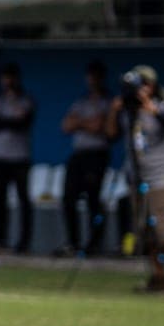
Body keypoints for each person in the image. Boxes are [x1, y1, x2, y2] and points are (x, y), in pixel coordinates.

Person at [108, 66, 164, 291]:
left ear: (150, 86)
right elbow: (110, 135)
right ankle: (158, 276)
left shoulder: (161, 106)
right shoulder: (128, 111)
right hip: (137, 177)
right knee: (146, 231)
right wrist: (114, 111)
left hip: (161, 178)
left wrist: (152, 109)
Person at [59, 62, 114, 256]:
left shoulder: (108, 101)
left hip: (97, 155)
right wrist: (86, 122)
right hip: (78, 155)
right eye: (90, 76)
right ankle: (72, 243)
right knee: (68, 198)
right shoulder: (81, 101)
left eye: (96, 76)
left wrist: (80, 122)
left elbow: (100, 126)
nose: (92, 80)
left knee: (93, 199)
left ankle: (94, 243)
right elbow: (66, 125)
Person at [0, 64, 35, 255]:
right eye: (5, 77)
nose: (8, 82)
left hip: (20, 157)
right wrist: (7, 120)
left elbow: (23, 123)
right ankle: (0, 239)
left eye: (11, 77)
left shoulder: (25, 100)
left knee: (23, 200)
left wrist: (0, 120)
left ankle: (24, 242)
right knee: (0, 200)